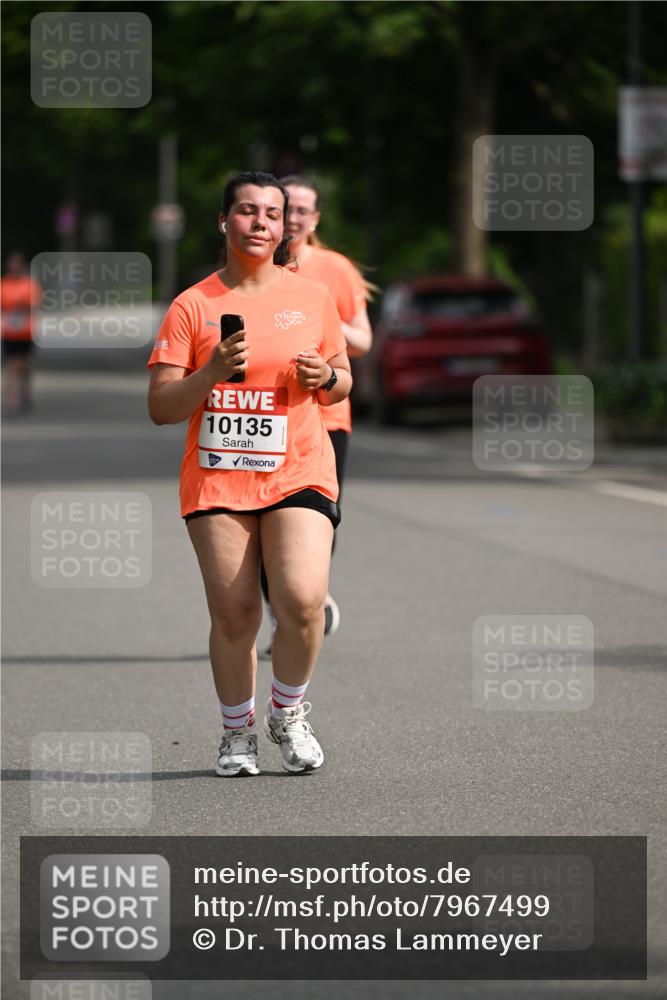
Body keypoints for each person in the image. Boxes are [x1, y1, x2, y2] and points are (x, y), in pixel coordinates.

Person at [147, 171, 351, 777]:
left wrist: (326, 378)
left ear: (284, 226)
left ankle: (288, 712)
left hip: (299, 470)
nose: (260, 222)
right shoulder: (194, 304)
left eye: (271, 213)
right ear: (223, 222)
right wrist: (208, 373)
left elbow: (343, 376)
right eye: (246, 211)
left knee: (303, 601)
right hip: (218, 477)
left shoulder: (312, 298)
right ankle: (237, 734)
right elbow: (161, 407)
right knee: (235, 612)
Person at [259, 175, 373, 652]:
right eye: (289, 208)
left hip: (326, 416)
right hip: (267, 414)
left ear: (315, 218)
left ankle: (310, 595)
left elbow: (364, 341)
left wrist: (318, 314)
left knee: (318, 514)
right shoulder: (254, 266)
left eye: (305, 210)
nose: (297, 217)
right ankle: (282, 610)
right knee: (262, 515)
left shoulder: (335, 269)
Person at [1, 252, 42, 416]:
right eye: (13, 264)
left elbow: (35, 303)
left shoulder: (30, 284)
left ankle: (24, 392)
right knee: (11, 364)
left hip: (26, 331)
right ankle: (11, 398)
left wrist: (23, 305)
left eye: (18, 264)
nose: (15, 268)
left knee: (24, 365)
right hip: (9, 331)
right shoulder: (4, 284)